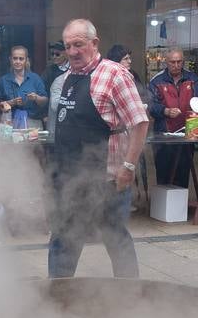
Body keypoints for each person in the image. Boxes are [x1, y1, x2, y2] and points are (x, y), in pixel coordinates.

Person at [47, 18, 149, 279]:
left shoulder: (115, 75)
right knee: (63, 240)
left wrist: (128, 167)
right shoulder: (67, 77)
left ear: (95, 43)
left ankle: (129, 295)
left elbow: (139, 122)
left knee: (115, 239)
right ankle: (58, 298)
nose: (72, 52)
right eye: (68, 46)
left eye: (78, 45)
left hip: (107, 181)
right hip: (70, 179)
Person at [147, 48, 198, 188]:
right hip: (163, 134)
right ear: (166, 62)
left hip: (187, 132)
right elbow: (149, 104)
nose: (176, 65)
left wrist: (196, 109)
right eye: (173, 62)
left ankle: (179, 205)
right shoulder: (157, 81)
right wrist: (165, 111)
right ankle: (162, 206)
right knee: (163, 171)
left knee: (183, 170)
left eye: (179, 62)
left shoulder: (192, 79)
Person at [0, 45, 47, 125]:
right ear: (10, 59)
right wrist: (11, 103)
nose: (18, 61)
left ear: (26, 60)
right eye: (15, 58)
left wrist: (36, 97)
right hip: (10, 122)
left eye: (21, 59)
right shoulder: (3, 80)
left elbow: (44, 101)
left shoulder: (35, 78)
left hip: (33, 123)